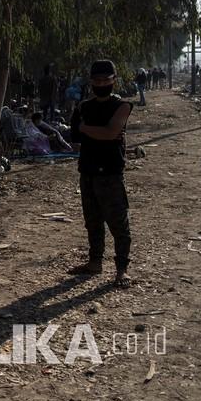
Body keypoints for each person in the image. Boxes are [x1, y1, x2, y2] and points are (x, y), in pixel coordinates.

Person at [68, 60, 134, 287]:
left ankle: (122, 269)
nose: (101, 84)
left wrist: (87, 129)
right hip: (87, 171)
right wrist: (94, 133)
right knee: (93, 221)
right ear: (91, 82)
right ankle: (95, 262)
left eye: (106, 80)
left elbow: (110, 132)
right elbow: (74, 139)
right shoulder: (83, 107)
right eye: (97, 80)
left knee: (118, 223)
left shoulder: (122, 106)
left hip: (110, 173)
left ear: (114, 80)